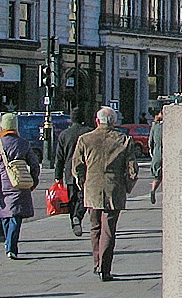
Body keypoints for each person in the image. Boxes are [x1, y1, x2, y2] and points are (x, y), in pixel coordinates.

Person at [73, 106, 139, 281]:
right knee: (109, 230)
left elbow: (77, 167)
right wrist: (127, 186)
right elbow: (132, 170)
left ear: (97, 121)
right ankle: (105, 268)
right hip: (114, 189)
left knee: (95, 228)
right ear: (114, 122)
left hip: (92, 188)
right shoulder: (123, 140)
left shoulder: (85, 139)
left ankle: (97, 263)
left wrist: (82, 183)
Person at [0, 112, 39, 259]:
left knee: (6, 216)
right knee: (15, 217)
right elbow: (34, 164)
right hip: (20, 184)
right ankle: (10, 245)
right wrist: (33, 180)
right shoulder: (24, 143)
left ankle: (9, 245)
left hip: (3, 188)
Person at [54, 105, 93, 236]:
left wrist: (57, 175)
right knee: (84, 197)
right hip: (86, 170)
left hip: (69, 170)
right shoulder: (89, 132)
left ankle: (74, 221)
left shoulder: (64, 135)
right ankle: (78, 215)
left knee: (72, 198)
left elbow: (59, 157)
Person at [148, 108, 164, 204]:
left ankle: (153, 190)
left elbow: (150, 142)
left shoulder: (155, 126)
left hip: (157, 153)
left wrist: (153, 153)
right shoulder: (165, 126)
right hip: (165, 152)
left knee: (157, 176)